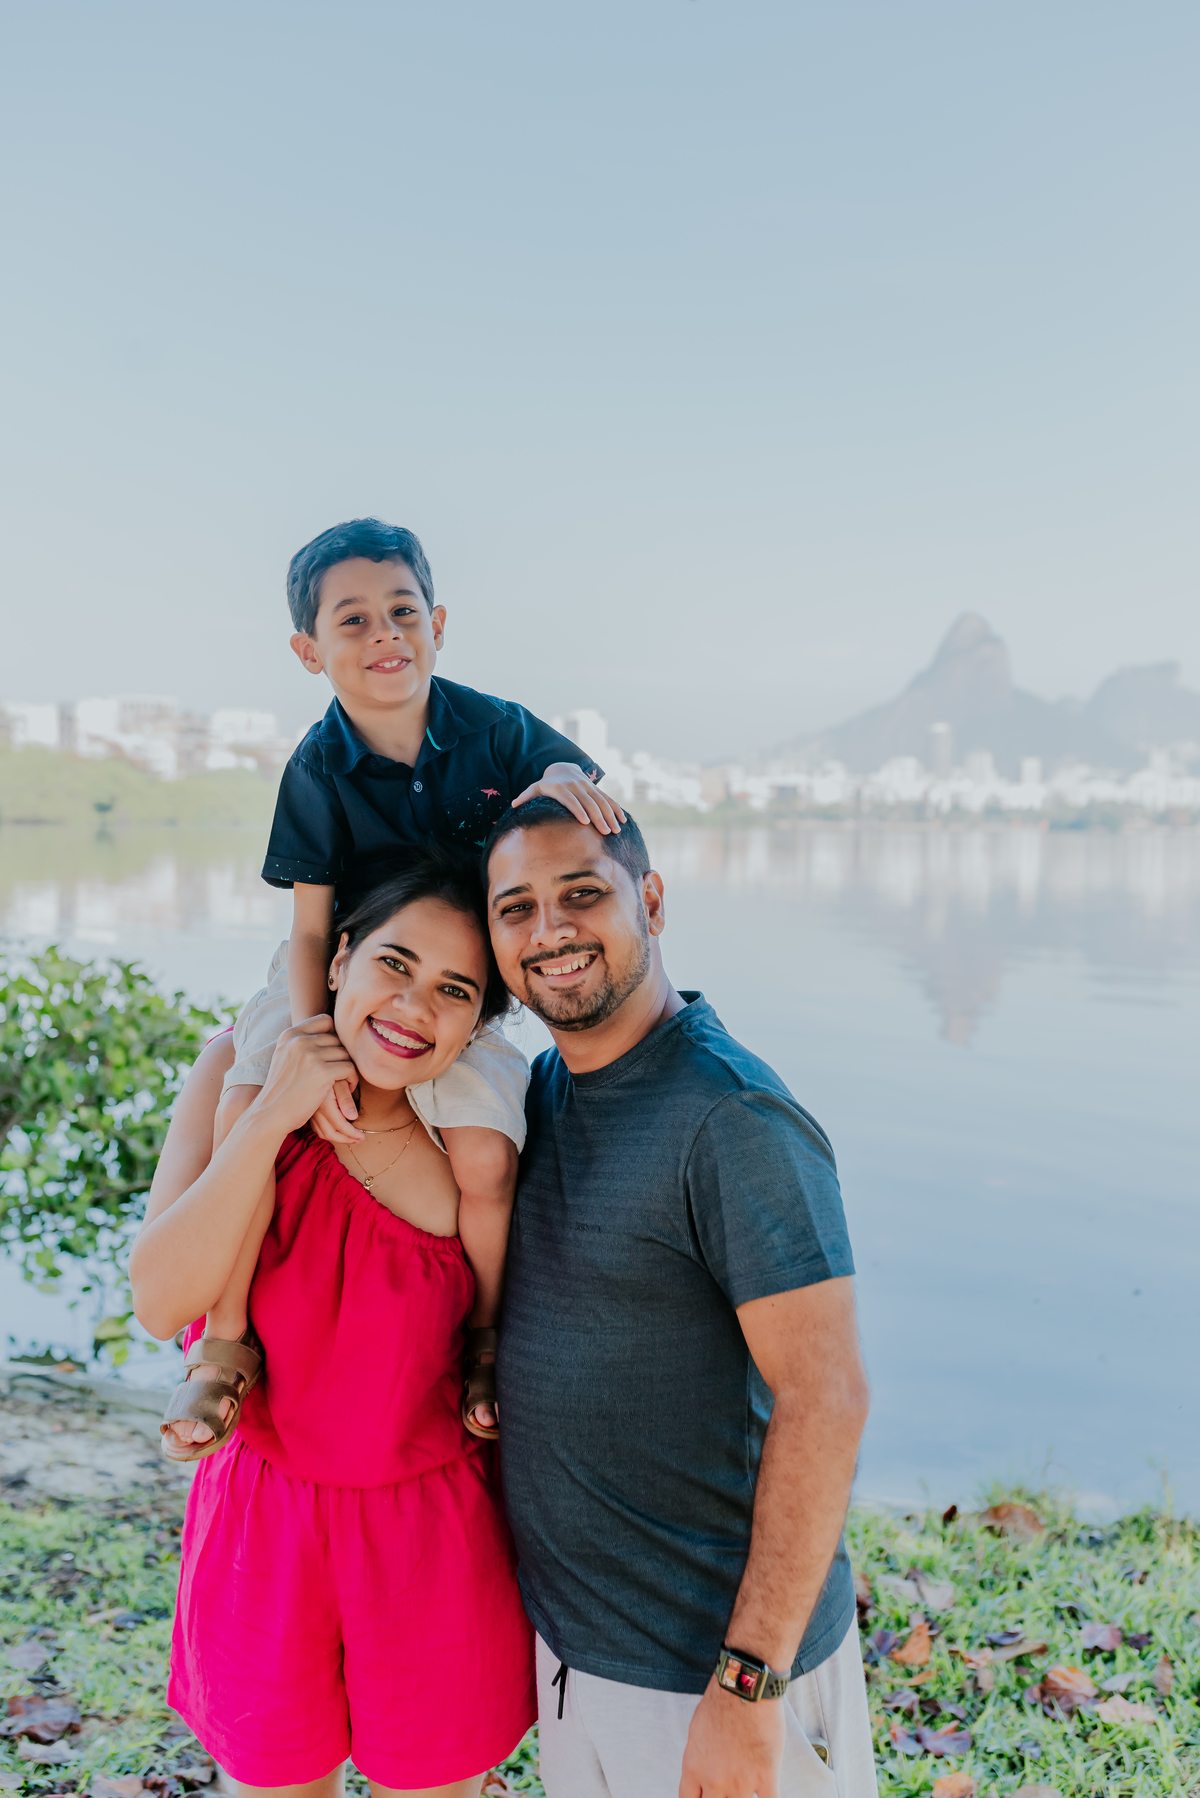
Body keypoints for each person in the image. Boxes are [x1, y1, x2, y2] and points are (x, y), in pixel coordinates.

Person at [161, 516, 625, 1457]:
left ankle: (485, 1339)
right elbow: (305, 929)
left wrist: (569, 776)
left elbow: (563, 770)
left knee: (489, 1162)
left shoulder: (490, 725)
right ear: (309, 649)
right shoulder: (317, 765)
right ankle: (223, 1344)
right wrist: (307, 1042)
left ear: (439, 623)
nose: (385, 636)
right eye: (354, 621)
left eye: (403, 612)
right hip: (336, 982)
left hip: (459, 997)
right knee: (245, 1108)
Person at [482, 798, 878, 1798]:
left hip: (714, 1677)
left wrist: (748, 1689)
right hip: (585, 1661)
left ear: (650, 900)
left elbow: (826, 1399)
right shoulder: (542, 1090)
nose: (550, 931)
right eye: (515, 907)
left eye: (583, 894)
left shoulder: (732, 1118)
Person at [129, 853, 536, 1798]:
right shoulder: (237, 1070)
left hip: (432, 1539)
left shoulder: (473, 1143)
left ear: (478, 1023)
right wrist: (276, 1111)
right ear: (340, 955)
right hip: (261, 1531)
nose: (412, 1008)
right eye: (394, 964)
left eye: (454, 990)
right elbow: (159, 1301)